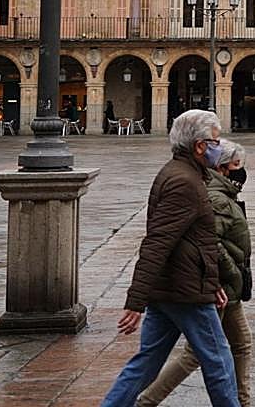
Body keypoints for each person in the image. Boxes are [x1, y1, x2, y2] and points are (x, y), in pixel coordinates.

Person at [99, 110, 241, 407]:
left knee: (147, 363)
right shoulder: (183, 182)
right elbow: (158, 242)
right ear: (200, 146)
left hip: (172, 286)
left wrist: (212, 282)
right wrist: (135, 301)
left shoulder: (183, 174)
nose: (220, 146)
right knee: (219, 361)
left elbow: (195, 240)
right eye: (215, 141)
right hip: (184, 290)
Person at [137, 140, 253, 407]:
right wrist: (229, 271)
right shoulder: (216, 197)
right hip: (219, 283)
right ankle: (146, 401)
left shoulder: (223, 192)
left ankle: (242, 402)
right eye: (236, 165)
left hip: (228, 285)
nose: (241, 171)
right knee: (195, 353)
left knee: (241, 343)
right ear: (221, 167)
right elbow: (210, 242)